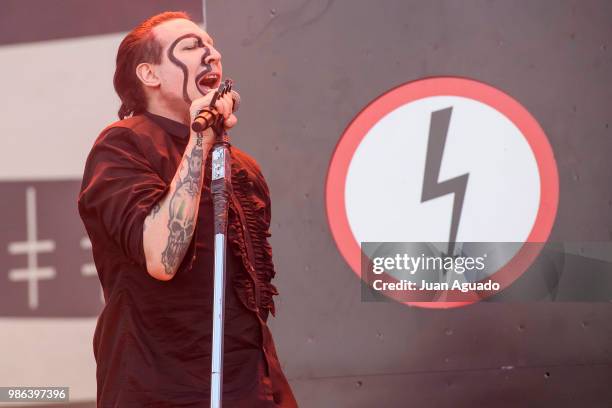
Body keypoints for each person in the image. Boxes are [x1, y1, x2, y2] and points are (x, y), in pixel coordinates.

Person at [77, 11, 298, 407]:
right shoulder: (124, 144)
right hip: (162, 383)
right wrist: (201, 139)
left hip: (250, 383)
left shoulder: (242, 166)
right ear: (150, 74)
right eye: (193, 46)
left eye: (212, 45)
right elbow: (162, 258)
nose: (211, 54)